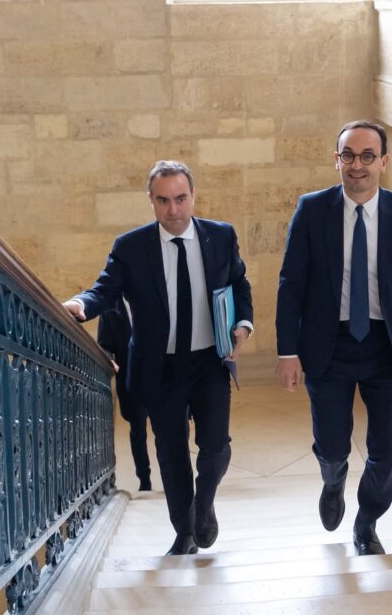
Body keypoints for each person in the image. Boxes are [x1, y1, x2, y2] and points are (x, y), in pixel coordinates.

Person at [64, 160, 253, 556]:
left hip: (209, 360)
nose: (173, 209)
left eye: (181, 198)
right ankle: (184, 533)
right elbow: (105, 290)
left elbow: (239, 282)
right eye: (163, 200)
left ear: (193, 196)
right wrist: (81, 304)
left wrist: (243, 324)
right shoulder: (131, 247)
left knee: (216, 446)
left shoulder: (220, 236)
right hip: (159, 366)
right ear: (150, 200)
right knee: (170, 452)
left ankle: (204, 504)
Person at [275, 120, 392, 556]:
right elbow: (291, 283)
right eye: (348, 155)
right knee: (332, 446)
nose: (357, 165)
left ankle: (366, 524)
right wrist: (288, 351)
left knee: (387, 452)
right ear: (337, 160)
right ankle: (333, 479)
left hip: (388, 347)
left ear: (383, 161)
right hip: (328, 345)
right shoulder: (312, 210)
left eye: (368, 156)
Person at [96, 297, 153, 491]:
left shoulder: (151, 294)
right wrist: (109, 359)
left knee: (165, 429)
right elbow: (104, 344)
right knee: (138, 431)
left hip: (159, 375)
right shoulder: (110, 308)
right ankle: (144, 479)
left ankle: (172, 476)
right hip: (131, 379)